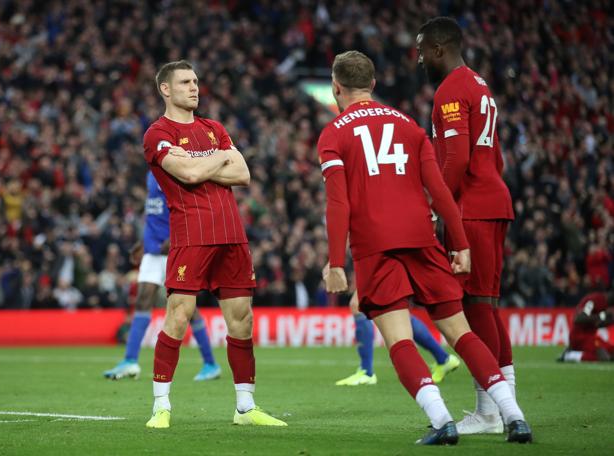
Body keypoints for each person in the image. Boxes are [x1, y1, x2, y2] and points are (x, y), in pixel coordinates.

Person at [319, 50, 531, 445]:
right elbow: (439, 192)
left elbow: (338, 203)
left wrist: (335, 263)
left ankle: (442, 421)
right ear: (374, 84)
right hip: (422, 238)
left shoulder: (334, 133)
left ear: (336, 87)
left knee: (399, 339)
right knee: (461, 333)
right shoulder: (409, 125)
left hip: (375, 246)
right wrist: (461, 243)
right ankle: (515, 416)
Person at [142, 60, 286, 428]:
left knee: (242, 320)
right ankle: (161, 406)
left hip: (232, 236)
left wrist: (208, 158)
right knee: (179, 315)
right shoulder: (158, 132)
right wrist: (219, 158)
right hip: (192, 236)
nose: (195, 87)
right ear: (166, 89)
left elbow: (242, 173)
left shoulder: (214, 128)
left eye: (196, 81)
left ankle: (245, 407)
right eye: (186, 82)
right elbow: (186, 173)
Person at [417, 16, 517, 435]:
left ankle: (490, 411)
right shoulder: (478, 83)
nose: (419, 59)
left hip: (472, 206)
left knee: (476, 306)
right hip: (493, 199)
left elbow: (455, 159)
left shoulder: (452, 89)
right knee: (487, 305)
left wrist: (437, 207)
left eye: (423, 50)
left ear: (439, 49)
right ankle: (506, 401)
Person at [103, 171, 221, 382]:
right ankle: (130, 361)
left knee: (187, 308)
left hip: (173, 249)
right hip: (152, 250)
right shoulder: (151, 174)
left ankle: (210, 363)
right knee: (143, 299)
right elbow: (154, 212)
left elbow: (187, 210)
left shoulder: (177, 172)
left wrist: (175, 237)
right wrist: (143, 242)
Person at [335, 290, 460, 386]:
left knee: (358, 305)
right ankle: (443, 359)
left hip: (384, 259)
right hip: (398, 259)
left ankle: (366, 372)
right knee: (398, 312)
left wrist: (336, 264)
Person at [558, 291, 614, 362]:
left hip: (591, 337)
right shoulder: (594, 300)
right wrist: (602, 316)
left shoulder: (605, 305)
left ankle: (573, 351)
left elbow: (595, 325)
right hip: (580, 336)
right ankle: (569, 356)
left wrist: (610, 321)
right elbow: (579, 318)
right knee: (604, 358)